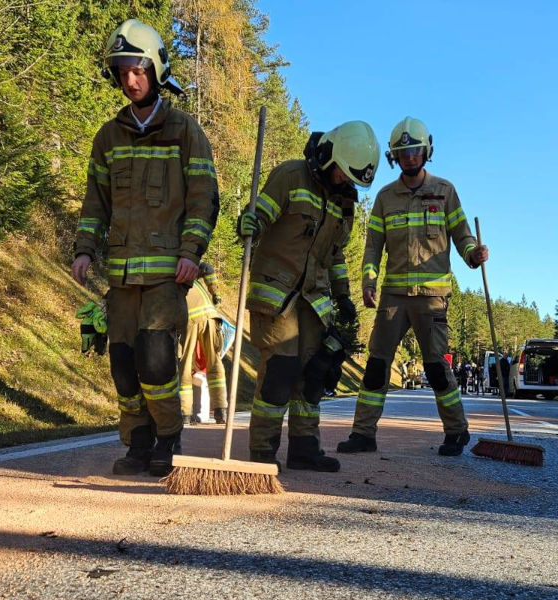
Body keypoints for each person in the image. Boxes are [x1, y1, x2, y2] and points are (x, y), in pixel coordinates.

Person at [70, 19, 219, 477]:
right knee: (123, 366)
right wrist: (84, 248)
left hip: (165, 278)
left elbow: (203, 197)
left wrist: (192, 251)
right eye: (121, 72)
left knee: (156, 361)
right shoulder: (108, 136)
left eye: (137, 70)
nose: (130, 81)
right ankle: (137, 442)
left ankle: (168, 438)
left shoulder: (184, 131)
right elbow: (96, 201)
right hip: (121, 278)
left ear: (156, 69)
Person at [337, 118, 488, 457]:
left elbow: (462, 235)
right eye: (403, 152)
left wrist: (473, 254)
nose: (409, 157)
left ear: (426, 151)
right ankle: (362, 434)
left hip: (432, 298)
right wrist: (369, 279)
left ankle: (456, 431)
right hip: (393, 297)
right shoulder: (384, 198)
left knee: (436, 367)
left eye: (414, 151)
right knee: (377, 364)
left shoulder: (445, 191)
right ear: (395, 156)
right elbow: (373, 245)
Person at [237, 121, 378, 471]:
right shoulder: (290, 175)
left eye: (352, 179)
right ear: (329, 156)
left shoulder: (345, 202)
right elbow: (261, 215)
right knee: (280, 372)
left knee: (312, 377)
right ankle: (262, 452)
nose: (345, 182)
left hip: (314, 302)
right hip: (277, 294)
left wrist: (344, 298)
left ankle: (304, 448)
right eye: (343, 174)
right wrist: (249, 221)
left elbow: (337, 256)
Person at [179, 264, 227, 425]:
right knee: (215, 362)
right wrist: (216, 294)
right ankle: (221, 410)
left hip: (190, 319)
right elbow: (208, 268)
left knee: (185, 365)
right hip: (210, 315)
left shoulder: (164, 269)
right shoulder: (187, 262)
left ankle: (185, 412)